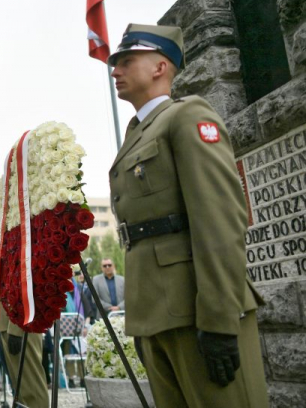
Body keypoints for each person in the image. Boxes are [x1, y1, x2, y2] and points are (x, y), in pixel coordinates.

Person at [107, 23, 268, 407]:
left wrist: (218, 320)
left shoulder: (187, 116)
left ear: (160, 67)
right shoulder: (137, 133)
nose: (115, 70)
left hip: (198, 311)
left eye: (126, 61)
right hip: (156, 314)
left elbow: (219, 220)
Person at [0, 260, 49, 408]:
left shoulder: (16, 241)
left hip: (19, 326)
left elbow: (25, 286)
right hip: (2, 325)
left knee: (31, 384)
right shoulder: (0, 245)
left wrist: (16, 328)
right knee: (17, 387)